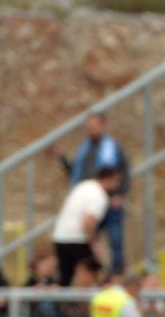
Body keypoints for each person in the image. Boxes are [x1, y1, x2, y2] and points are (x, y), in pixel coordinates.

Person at [51, 112, 129, 268]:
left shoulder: (112, 147)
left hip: (109, 199)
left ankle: (116, 272)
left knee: (115, 239)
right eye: (89, 126)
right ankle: (94, 271)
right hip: (90, 200)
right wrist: (62, 158)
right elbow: (76, 171)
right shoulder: (85, 149)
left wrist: (120, 193)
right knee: (90, 239)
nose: (92, 129)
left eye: (95, 125)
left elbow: (123, 170)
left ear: (102, 125)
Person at [51, 165, 120, 285]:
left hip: (60, 237)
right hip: (78, 239)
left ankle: (65, 303)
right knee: (93, 275)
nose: (117, 185)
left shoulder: (84, 186)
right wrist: (94, 244)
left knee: (66, 278)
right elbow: (88, 222)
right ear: (109, 179)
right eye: (116, 181)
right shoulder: (99, 195)